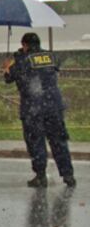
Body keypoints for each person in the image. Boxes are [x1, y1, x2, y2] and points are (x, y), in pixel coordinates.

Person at [4, 32, 75, 188]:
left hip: (33, 108)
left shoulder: (22, 60)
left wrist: (7, 66)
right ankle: (68, 175)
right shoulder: (49, 57)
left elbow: (9, 78)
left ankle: (41, 176)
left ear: (24, 45)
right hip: (54, 106)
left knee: (36, 142)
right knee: (59, 141)